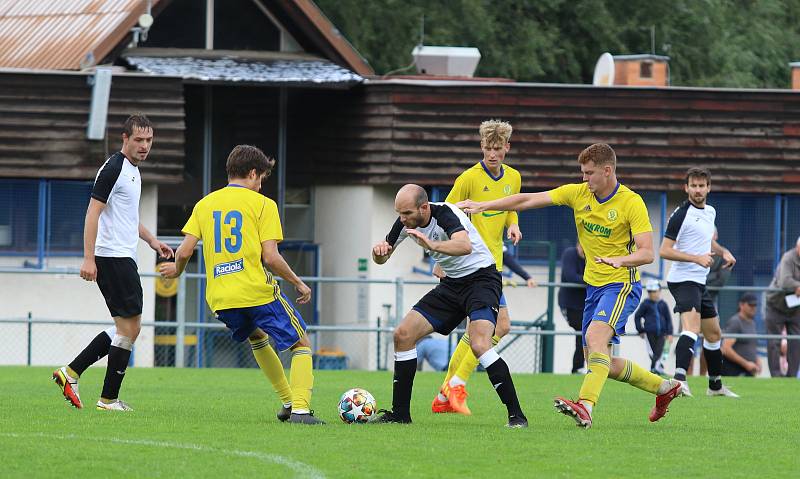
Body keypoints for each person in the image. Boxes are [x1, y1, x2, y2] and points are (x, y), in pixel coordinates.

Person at [459, 143, 684, 428]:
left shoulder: (631, 202)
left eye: (589, 173)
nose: (584, 179)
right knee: (602, 363)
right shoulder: (578, 194)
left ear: (607, 170)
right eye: (582, 173)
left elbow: (647, 253)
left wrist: (620, 260)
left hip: (621, 285)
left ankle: (585, 406)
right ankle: (665, 388)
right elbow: (527, 201)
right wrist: (483, 206)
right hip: (594, 288)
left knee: (595, 339)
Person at [159, 145, 322, 424]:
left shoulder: (205, 204)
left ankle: (286, 403)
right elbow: (270, 257)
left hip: (221, 297)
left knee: (257, 337)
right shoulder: (263, 205)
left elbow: (184, 252)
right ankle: (301, 410)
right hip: (255, 290)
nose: (261, 186)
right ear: (253, 173)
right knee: (301, 343)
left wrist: (176, 270)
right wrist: (298, 282)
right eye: (261, 179)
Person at [372, 184, 527, 427]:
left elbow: (464, 246)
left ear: (424, 207)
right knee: (402, 335)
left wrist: (431, 246)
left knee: (480, 344)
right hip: (452, 285)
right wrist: (378, 252)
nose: (402, 219)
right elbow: (383, 257)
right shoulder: (404, 223)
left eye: (407, 214)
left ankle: (517, 416)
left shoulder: (446, 213)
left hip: (482, 280)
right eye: (399, 214)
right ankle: (400, 415)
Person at [52, 114, 174, 411]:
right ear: (125, 139)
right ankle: (103, 396)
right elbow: (92, 213)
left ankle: (76, 377)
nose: (145, 146)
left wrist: (152, 241)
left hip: (122, 256)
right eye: (139, 140)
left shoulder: (133, 170)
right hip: (112, 257)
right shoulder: (114, 169)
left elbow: (128, 218)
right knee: (129, 328)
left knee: (128, 328)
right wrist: (88, 259)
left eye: (149, 140)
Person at [431, 119, 523, 416]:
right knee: (495, 327)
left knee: (489, 328)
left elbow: (511, 207)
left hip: (492, 263)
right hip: (471, 264)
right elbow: (443, 215)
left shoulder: (514, 178)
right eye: (487, 148)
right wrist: (441, 261)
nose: (492, 154)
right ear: (481, 147)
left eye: (497, 148)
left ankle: (448, 391)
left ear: (507, 148)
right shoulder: (468, 178)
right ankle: (453, 386)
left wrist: (514, 225)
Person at [660, 167, 739, 398]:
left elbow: (707, 241)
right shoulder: (680, 215)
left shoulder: (710, 212)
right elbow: (664, 250)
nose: (697, 190)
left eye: (701, 185)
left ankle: (715, 386)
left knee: (714, 334)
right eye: (693, 185)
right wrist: (696, 258)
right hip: (682, 280)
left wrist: (724, 252)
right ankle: (678, 380)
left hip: (698, 282)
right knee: (691, 328)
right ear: (686, 188)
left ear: (708, 188)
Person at [764, 236, 800, 377]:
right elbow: (785, 281)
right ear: (797, 247)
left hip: (795, 307)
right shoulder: (788, 258)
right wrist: (797, 286)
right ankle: (776, 375)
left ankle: (791, 376)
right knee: (774, 341)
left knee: (796, 341)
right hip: (776, 304)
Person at [633, 280, 673, 374]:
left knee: (659, 351)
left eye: (654, 291)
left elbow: (668, 319)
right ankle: (658, 369)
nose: (652, 294)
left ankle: (653, 369)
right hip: (649, 333)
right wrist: (640, 330)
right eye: (650, 292)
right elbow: (637, 316)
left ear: (659, 291)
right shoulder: (645, 304)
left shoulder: (663, 304)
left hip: (662, 333)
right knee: (652, 352)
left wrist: (670, 333)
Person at [558, 243, 587, 373]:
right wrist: (591, 279)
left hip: (586, 304)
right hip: (570, 304)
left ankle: (582, 367)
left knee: (590, 334)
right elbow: (571, 276)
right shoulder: (570, 253)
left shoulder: (592, 255)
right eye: (582, 247)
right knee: (582, 332)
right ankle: (578, 367)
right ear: (578, 245)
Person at [721, 293, 762, 376]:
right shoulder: (736, 322)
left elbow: (751, 346)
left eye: (755, 305)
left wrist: (757, 360)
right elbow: (726, 349)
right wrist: (746, 364)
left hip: (748, 371)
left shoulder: (752, 323)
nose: (753, 308)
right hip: (734, 370)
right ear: (741, 305)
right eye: (750, 305)